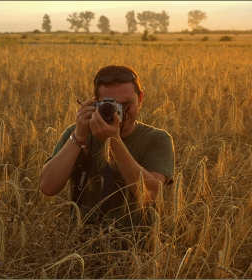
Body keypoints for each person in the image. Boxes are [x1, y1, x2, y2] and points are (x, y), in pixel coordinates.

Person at [40, 65, 175, 250]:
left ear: (141, 99)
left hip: (138, 251)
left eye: (127, 105)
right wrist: (78, 136)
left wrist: (113, 141)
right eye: (110, 105)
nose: (119, 113)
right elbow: (47, 186)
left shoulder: (157, 139)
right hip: (82, 246)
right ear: (96, 103)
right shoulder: (76, 134)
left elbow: (150, 194)